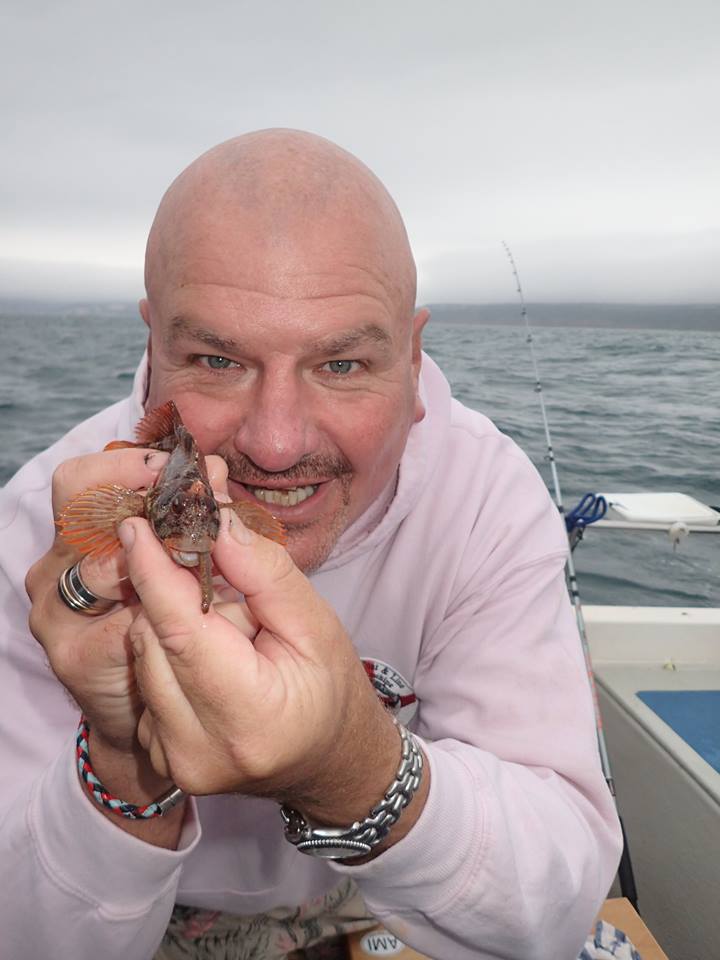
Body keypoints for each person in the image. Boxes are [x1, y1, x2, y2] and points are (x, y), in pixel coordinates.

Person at [0, 129, 622, 960]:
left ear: (412, 351)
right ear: (154, 344)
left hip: (381, 896)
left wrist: (349, 767)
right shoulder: (50, 527)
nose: (278, 443)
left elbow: (559, 896)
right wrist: (120, 761)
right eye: (217, 358)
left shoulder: (488, 499)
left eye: (343, 365)